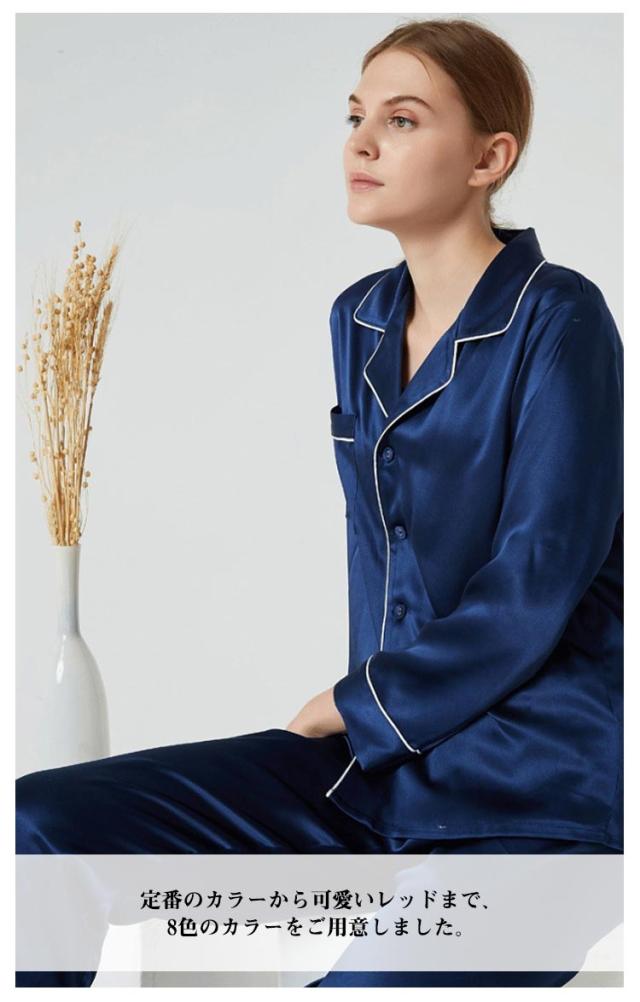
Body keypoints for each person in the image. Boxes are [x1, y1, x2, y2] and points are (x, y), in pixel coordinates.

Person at [16, 16, 622, 988]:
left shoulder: (558, 317)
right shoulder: (361, 317)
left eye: (402, 119)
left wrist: (358, 703)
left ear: (489, 158)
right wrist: (362, 722)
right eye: (354, 116)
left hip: (530, 799)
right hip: (376, 773)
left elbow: (536, 582)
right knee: (42, 825)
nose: (362, 142)